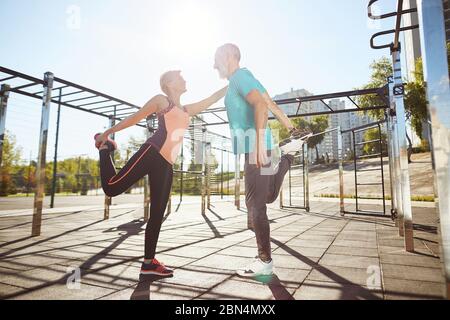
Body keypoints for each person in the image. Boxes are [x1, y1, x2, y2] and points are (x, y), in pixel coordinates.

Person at [94, 70, 227, 277]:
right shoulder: (161, 101)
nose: (185, 78)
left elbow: (211, 99)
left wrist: (232, 82)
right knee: (112, 188)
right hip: (152, 152)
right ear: (169, 83)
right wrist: (107, 134)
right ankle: (105, 149)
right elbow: (135, 117)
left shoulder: (185, 109)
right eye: (180, 76)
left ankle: (148, 264)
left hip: (167, 164)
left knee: (157, 215)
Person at [214, 43, 312, 278]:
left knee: (255, 206)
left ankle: (264, 261)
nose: (213, 64)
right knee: (266, 197)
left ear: (228, 56)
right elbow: (272, 105)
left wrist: (257, 142)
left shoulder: (239, 77)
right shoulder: (248, 78)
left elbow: (260, 105)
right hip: (263, 146)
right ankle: (289, 153)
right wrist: (291, 128)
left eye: (215, 58)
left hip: (255, 146)